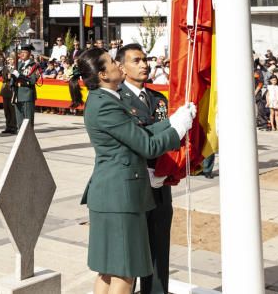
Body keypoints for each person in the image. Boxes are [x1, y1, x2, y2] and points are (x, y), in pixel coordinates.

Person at [71, 47, 195, 294]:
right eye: (111, 62)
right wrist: (179, 130)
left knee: (108, 271)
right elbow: (147, 146)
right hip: (121, 197)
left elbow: (140, 133)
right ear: (103, 74)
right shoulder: (107, 104)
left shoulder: (104, 99)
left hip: (111, 194)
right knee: (125, 274)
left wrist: (171, 121)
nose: (118, 65)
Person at [116, 44, 171, 294]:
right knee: (131, 254)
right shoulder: (117, 100)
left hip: (160, 183)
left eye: (145, 59)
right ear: (122, 67)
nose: (144, 65)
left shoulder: (159, 100)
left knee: (159, 247)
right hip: (133, 184)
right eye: (136, 61)